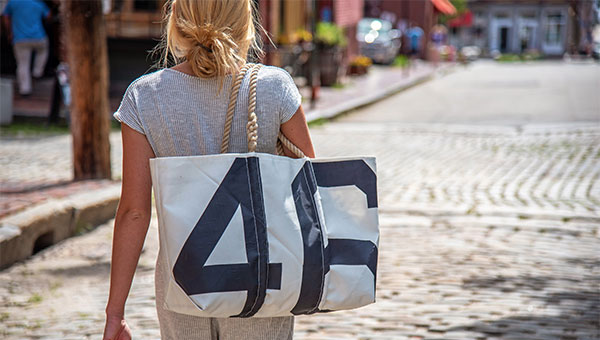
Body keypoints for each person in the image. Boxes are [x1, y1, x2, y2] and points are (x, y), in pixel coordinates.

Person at [103, 1, 315, 339]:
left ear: (178, 21)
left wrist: (115, 313)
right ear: (247, 22)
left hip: (182, 283)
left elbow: (134, 212)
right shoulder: (275, 88)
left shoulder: (145, 97)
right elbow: (306, 191)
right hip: (264, 281)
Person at [1, 0, 50, 95]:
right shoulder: (38, 3)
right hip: (38, 36)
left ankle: (25, 89)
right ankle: (37, 72)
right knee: (43, 50)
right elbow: (48, 16)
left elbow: (5, 17)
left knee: (23, 64)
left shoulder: (13, 3)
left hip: (20, 38)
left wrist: (9, 32)